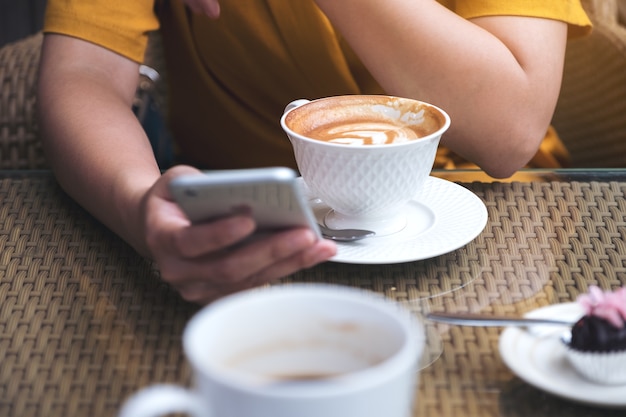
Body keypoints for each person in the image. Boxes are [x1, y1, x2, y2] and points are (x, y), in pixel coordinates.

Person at [37, 0, 592, 304]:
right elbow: (83, 73)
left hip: (503, 239)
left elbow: (508, 132)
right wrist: (138, 206)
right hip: (245, 248)